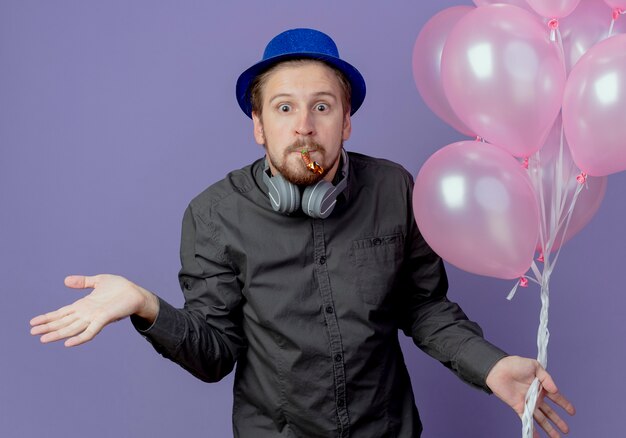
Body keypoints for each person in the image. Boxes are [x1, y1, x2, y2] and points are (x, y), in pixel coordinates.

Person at [30, 28, 575, 437]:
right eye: (284, 107)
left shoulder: (394, 189)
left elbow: (424, 307)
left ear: (347, 121)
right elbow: (214, 354)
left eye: (322, 106)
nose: (304, 126)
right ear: (258, 125)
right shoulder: (213, 214)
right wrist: (146, 305)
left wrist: (491, 364)